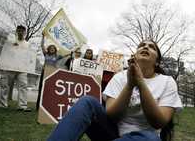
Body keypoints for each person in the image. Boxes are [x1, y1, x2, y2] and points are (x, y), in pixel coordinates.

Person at [47, 40, 182, 141]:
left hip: (145, 137)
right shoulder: (120, 77)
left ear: (157, 62)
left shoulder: (167, 82)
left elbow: (159, 122)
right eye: (141, 45)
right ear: (134, 55)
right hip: (112, 132)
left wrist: (140, 83)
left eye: (151, 47)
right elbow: (112, 115)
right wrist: (129, 85)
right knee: (86, 101)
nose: (145, 46)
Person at [0, 25, 31, 112]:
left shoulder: (27, 44)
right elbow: (5, 53)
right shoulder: (10, 41)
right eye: (19, 30)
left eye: (22, 31)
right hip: (9, 67)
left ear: (25, 33)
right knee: (5, 85)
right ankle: (3, 104)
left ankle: (22, 106)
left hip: (21, 69)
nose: (20, 32)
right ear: (16, 31)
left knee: (23, 86)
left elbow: (28, 57)